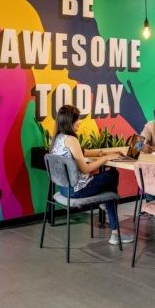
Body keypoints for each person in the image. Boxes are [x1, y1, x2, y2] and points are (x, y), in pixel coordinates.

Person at [50, 104, 134, 245]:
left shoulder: (58, 139)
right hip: (77, 190)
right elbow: (85, 169)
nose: (80, 122)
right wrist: (105, 159)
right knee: (112, 174)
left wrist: (106, 153)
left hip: (64, 189)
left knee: (108, 184)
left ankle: (107, 206)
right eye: (77, 119)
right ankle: (114, 230)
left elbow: (84, 152)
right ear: (70, 122)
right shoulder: (72, 140)